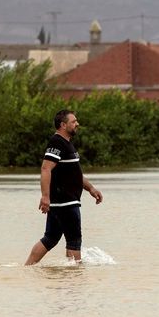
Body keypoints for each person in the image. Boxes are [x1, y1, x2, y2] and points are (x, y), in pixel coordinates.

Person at [25, 109, 103, 265]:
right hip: (65, 202)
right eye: (73, 122)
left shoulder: (67, 144)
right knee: (74, 241)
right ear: (63, 125)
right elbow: (45, 168)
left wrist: (91, 189)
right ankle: (74, 280)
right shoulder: (57, 142)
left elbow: (75, 174)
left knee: (50, 238)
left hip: (62, 202)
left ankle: (27, 268)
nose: (77, 124)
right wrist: (45, 196)